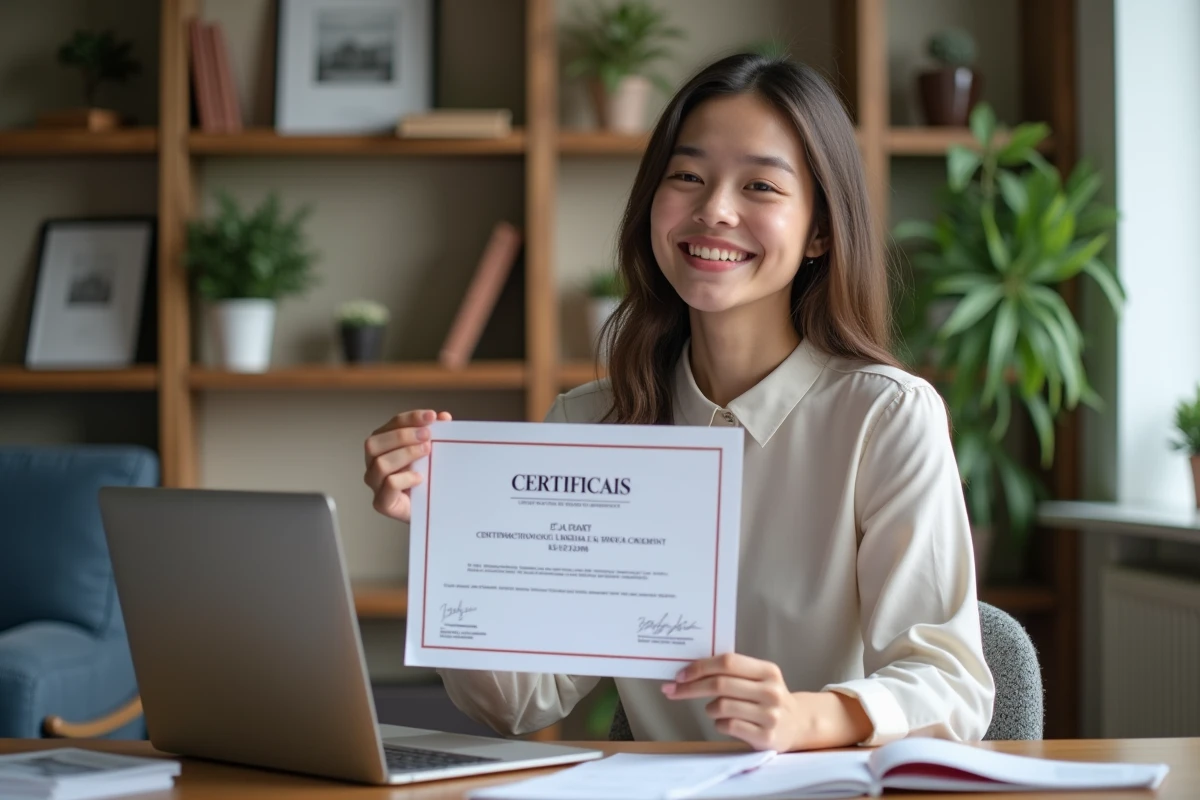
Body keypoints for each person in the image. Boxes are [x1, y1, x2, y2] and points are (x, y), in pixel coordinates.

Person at [363, 53, 995, 753]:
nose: (715, 210)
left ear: (819, 230)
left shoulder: (886, 417)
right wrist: (445, 526)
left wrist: (806, 717)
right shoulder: (586, 423)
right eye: (688, 177)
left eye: (760, 184)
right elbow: (518, 702)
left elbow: (952, 687)